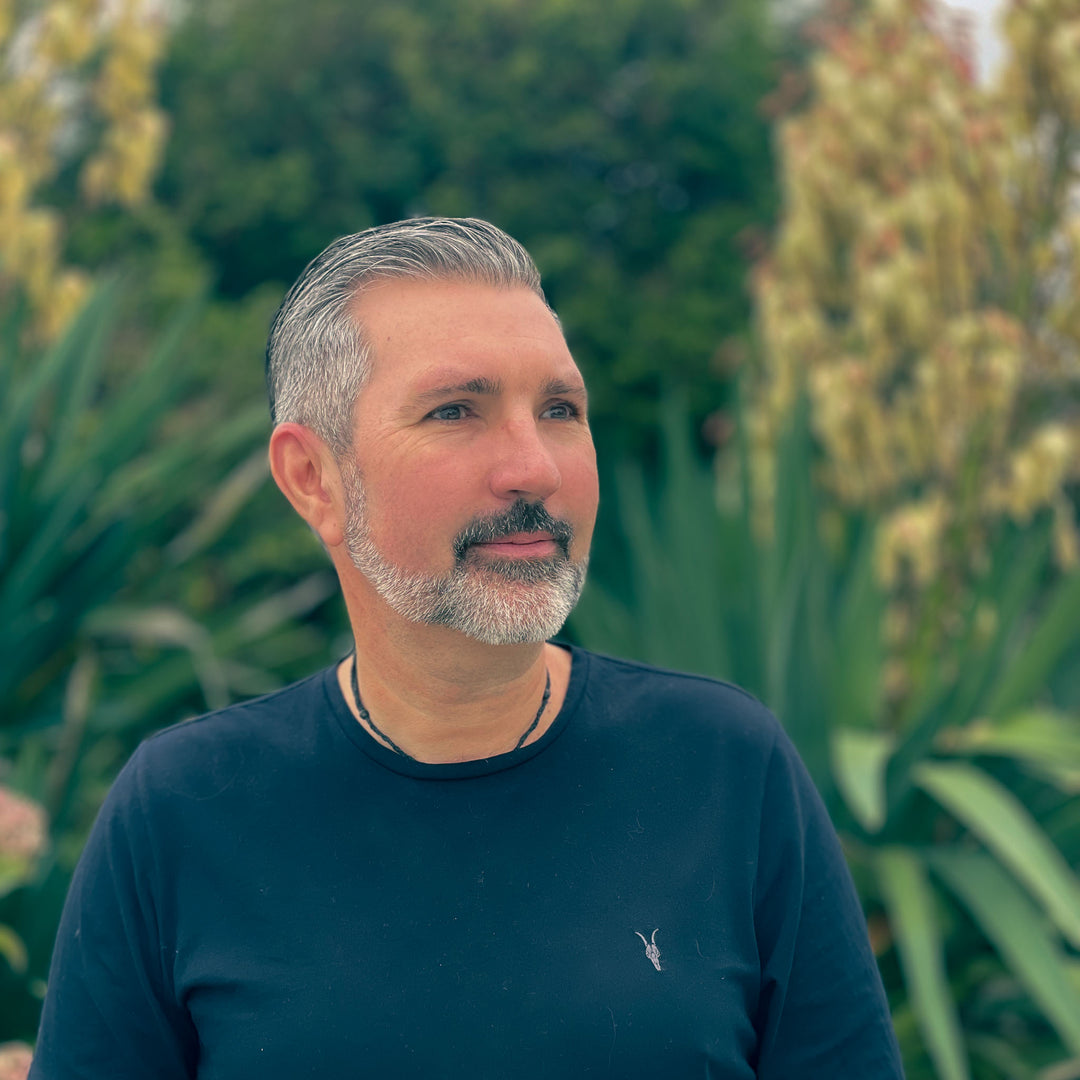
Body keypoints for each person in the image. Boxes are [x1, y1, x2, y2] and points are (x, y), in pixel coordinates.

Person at [30, 218, 904, 1078]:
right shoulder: (181, 812)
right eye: (456, 411)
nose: (535, 467)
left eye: (560, 409)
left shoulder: (725, 769)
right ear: (314, 479)